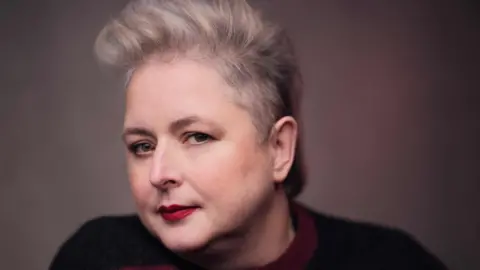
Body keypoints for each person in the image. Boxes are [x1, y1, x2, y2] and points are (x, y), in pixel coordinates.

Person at [49, 0, 447, 269]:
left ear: (278, 148)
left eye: (197, 137)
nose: (159, 173)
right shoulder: (96, 258)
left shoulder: (389, 262)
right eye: (142, 145)